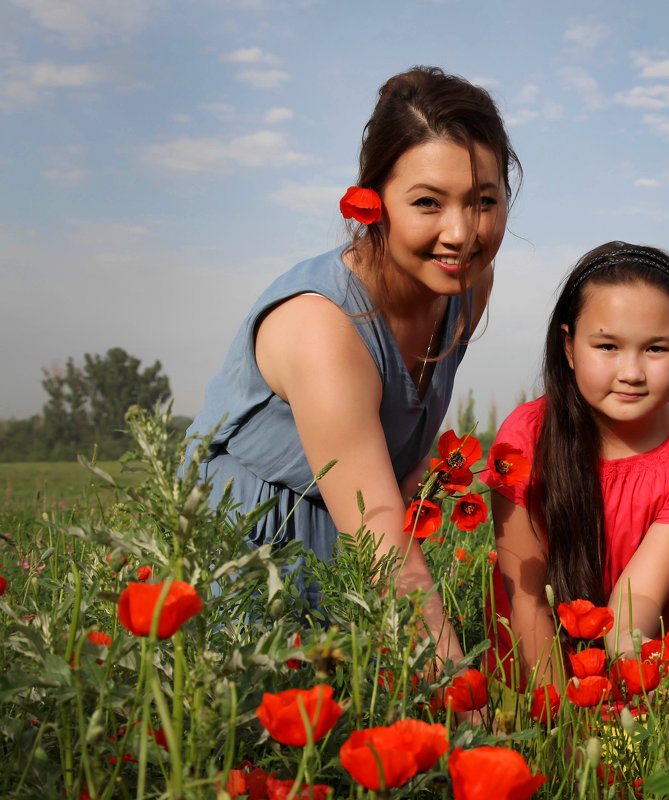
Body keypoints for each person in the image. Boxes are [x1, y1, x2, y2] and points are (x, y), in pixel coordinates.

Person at [185, 66, 520, 671]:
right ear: (372, 202)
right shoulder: (322, 328)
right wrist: (463, 701)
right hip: (244, 542)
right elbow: (380, 533)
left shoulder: (466, 284)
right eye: (427, 203)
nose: (463, 233)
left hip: (355, 537)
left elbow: (400, 446)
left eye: (484, 201)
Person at [481, 242, 669, 691]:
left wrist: (606, 708)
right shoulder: (524, 439)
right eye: (608, 346)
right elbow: (528, 600)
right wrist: (559, 719)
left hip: (630, 664)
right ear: (570, 347)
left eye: (656, 349)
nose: (632, 372)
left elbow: (636, 607)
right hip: (528, 668)